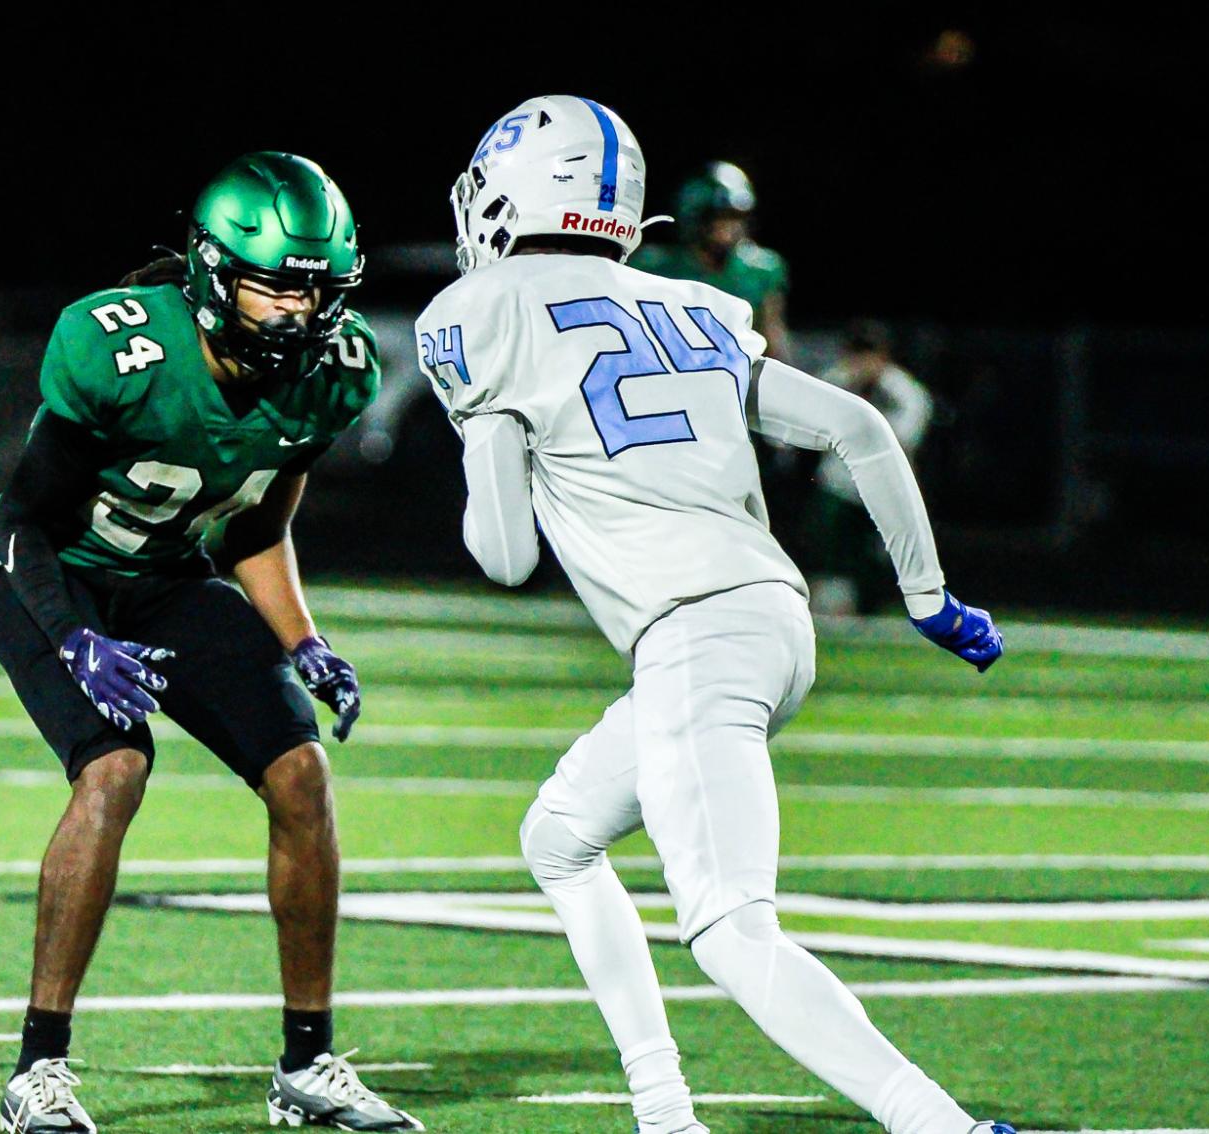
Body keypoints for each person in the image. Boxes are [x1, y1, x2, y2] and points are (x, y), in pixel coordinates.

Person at [415, 96, 1011, 1134]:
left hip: (694, 632)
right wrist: (929, 596)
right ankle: (663, 1107)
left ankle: (946, 1127)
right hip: (772, 618)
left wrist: (487, 435)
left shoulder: (479, 313)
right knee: (558, 833)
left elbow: (506, 557)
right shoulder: (694, 303)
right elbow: (860, 428)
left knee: (733, 927)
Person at [0, 151, 421, 1134]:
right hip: (53, 573)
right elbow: (20, 525)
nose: (301, 313)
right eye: (278, 286)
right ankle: (37, 1070)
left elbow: (255, 530)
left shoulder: (328, 379)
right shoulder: (118, 345)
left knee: (301, 774)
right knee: (118, 766)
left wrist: (303, 640)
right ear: (214, 275)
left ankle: (308, 1063)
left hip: (169, 578)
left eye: (318, 289)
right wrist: (76, 641)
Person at [806, 320, 936, 614]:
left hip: (885, 486)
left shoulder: (905, 393)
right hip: (839, 484)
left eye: (869, 353)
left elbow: (901, 441)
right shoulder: (832, 383)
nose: (862, 362)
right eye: (856, 352)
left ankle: (874, 605)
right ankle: (832, 605)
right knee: (830, 552)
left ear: (883, 356)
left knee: (881, 559)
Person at [630, 161, 792, 362]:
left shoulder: (761, 269)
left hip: (737, 374)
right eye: (720, 218)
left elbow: (773, 342)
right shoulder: (654, 266)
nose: (730, 228)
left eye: (735, 217)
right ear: (695, 218)